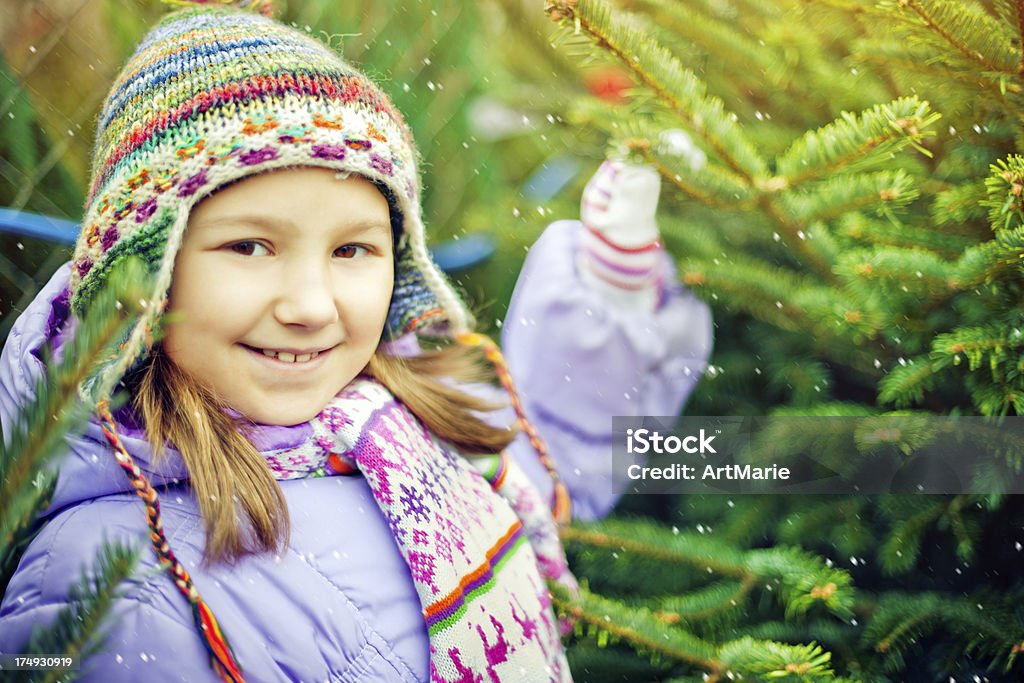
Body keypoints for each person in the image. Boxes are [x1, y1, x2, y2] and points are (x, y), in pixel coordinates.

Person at [0, 1, 712, 681]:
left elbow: (543, 460)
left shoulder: (392, 418)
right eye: (249, 246)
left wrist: (608, 287)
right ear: (145, 273)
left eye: (352, 250)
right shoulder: (109, 587)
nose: (311, 305)